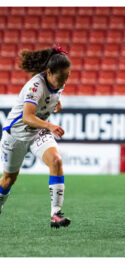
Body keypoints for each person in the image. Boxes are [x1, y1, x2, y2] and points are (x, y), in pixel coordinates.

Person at [0, 44, 71, 228]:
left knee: (56, 160)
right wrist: (51, 125)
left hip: (37, 132)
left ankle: (56, 214)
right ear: (48, 72)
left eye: (67, 77)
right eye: (61, 77)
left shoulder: (58, 82)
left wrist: (57, 102)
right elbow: (27, 117)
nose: (64, 82)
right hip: (15, 134)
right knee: (8, 180)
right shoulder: (35, 86)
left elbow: (53, 93)